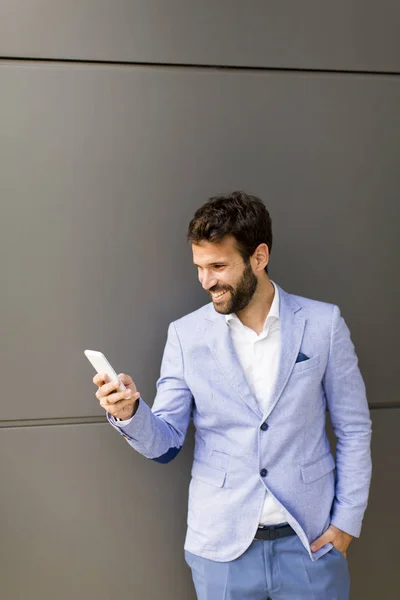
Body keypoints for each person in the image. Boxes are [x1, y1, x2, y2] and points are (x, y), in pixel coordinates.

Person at [93, 191, 372, 599]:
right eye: (200, 267)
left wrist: (346, 522)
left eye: (219, 266)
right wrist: (131, 411)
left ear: (259, 257)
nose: (207, 281)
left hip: (311, 544)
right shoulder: (185, 336)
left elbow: (354, 428)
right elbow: (166, 441)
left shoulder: (322, 323)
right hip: (220, 550)